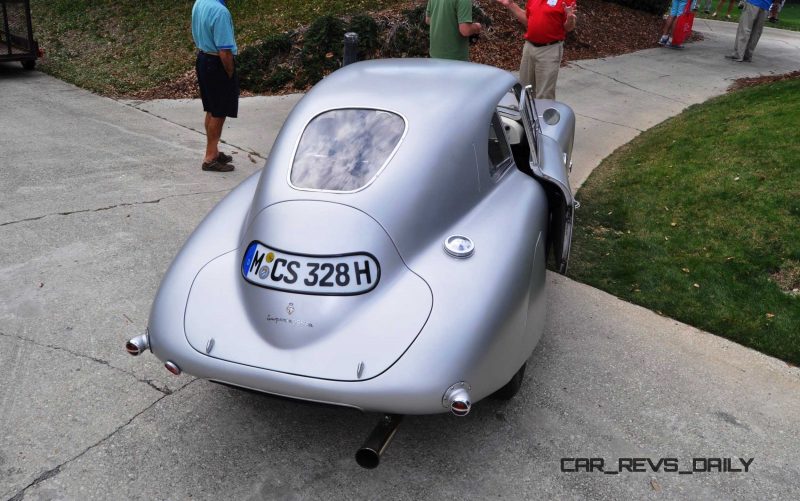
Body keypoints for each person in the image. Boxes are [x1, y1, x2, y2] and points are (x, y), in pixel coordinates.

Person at [495, 0, 577, 100]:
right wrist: (510, 5)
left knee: (544, 95)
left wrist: (570, 19)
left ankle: (542, 115)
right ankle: (527, 115)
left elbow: (568, 27)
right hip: (529, 47)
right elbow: (528, 20)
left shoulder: (566, 1)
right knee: (525, 91)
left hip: (549, 50)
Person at [192, 0, 239, 172]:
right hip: (217, 63)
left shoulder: (200, 2)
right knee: (219, 112)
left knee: (211, 109)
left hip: (203, 59)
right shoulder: (220, 12)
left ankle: (214, 150)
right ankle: (210, 158)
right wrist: (229, 72)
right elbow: (225, 51)